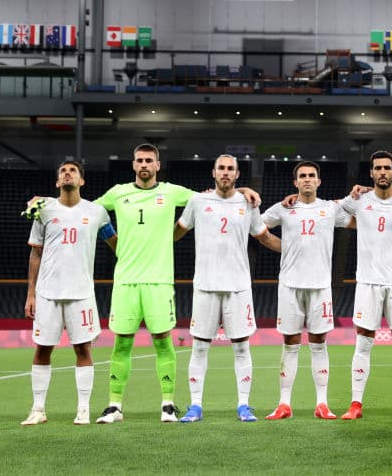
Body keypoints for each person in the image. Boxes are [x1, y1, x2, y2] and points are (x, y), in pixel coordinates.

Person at [82, 143, 260, 423]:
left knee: (163, 342)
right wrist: (113, 240)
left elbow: (215, 197)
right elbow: (86, 213)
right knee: (122, 343)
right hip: (126, 280)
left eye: (149, 160)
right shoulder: (118, 192)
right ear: (133, 165)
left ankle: (167, 405)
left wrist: (245, 190)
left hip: (160, 280)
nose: (144, 165)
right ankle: (114, 406)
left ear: (157, 165)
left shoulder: (173, 192)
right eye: (139, 160)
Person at [174, 154, 278, 423]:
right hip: (206, 286)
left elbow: (263, 236)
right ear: (213, 172)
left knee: (242, 348)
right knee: (199, 348)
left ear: (237, 174)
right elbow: (178, 230)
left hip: (238, 287)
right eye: (221, 168)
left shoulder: (248, 203)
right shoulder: (198, 201)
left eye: (230, 169)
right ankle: (195, 406)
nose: (225, 173)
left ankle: (244, 405)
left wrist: (293, 249)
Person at [20, 161, 117, 426]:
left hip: (82, 293)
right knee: (42, 350)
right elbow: (35, 253)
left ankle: (83, 409)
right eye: (62, 171)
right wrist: (31, 294)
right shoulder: (43, 210)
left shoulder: (97, 212)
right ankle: (38, 409)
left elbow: (116, 244)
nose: (67, 173)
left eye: (72, 171)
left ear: (82, 181)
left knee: (83, 349)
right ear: (57, 182)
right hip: (47, 293)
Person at [337, 150, 392, 420]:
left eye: (387, 168)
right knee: (363, 344)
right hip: (368, 283)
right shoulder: (359, 201)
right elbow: (327, 208)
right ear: (371, 173)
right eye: (378, 168)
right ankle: (355, 404)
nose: (383, 172)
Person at [261, 161, 353, 421]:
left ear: (319, 181)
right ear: (295, 182)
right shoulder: (284, 208)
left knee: (318, 343)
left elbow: (361, 221)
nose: (307, 180)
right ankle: (284, 404)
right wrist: (282, 246)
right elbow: (258, 227)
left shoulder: (330, 209)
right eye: (302, 176)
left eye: (312, 175)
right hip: (289, 285)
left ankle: (321, 404)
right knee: (290, 343)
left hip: (320, 286)